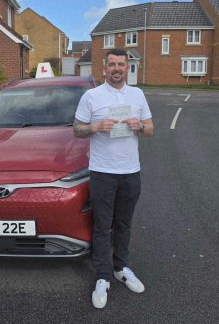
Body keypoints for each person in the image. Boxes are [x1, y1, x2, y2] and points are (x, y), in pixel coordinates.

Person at [73, 48, 154, 309]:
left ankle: (121, 268)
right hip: (102, 172)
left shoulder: (137, 95)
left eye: (121, 64)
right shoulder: (92, 96)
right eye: (112, 64)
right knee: (102, 226)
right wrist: (96, 127)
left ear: (127, 68)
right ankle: (103, 276)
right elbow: (77, 129)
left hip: (130, 172)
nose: (117, 68)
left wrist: (138, 126)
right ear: (104, 68)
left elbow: (150, 129)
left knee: (124, 224)